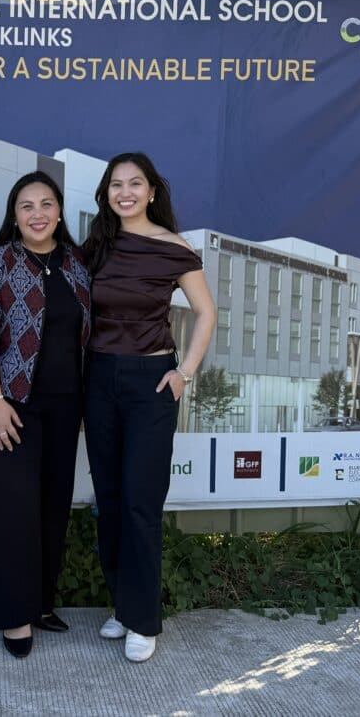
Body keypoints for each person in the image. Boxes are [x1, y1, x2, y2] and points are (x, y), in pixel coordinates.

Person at [81, 153, 216, 663]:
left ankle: (143, 620)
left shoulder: (175, 249)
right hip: (98, 379)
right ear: (106, 194)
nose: (126, 192)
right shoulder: (95, 246)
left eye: (135, 183)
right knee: (110, 500)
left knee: (141, 502)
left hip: (150, 384)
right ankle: (122, 605)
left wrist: (185, 374)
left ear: (152, 191)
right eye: (116, 185)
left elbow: (205, 314)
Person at [0, 171, 92, 659]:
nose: (37, 214)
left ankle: (39, 603)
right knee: (12, 511)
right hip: (6, 405)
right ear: (14, 216)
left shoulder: (78, 266)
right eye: (26, 206)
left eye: (46, 204)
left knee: (52, 507)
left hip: (63, 407)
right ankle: (15, 617)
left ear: (59, 210)